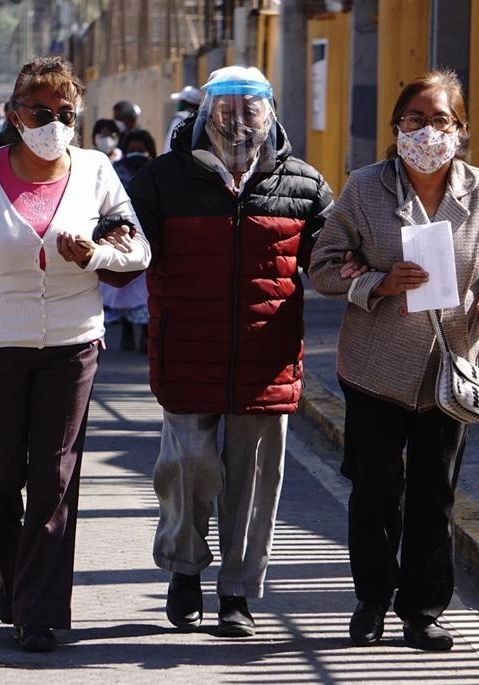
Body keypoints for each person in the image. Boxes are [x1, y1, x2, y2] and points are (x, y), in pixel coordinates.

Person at [308, 69, 479, 651]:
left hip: (451, 369)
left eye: (440, 120)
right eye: (415, 119)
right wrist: (378, 283)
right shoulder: (364, 189)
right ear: (396, 127)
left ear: (460, 129)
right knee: (376, 489)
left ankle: (424, 610)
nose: (427, 131)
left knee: (435, 494)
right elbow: (323, 267)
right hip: (375, 368)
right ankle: (371, 601)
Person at [0, 55, 150, 653]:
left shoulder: (96, 170)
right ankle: (18, 578)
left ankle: (38, 612)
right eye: (41, 111)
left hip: (72, 345)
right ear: (14, 115)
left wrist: (95, 256)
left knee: (53, 477)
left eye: (65, 113)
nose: (54, 123)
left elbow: (139, 251)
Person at [126, 65, 333, 637]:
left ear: (270, 115)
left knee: (255, 480)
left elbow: (330, 258)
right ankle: (184, 568)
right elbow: (129, 245)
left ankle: (238, 592)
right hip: (187, 350)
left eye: (250, 109)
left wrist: (370, 270)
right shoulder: (164, 178)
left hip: (266, 359)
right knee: (186, 468)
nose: (238, 121)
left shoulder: (304, 184)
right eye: (225, 109)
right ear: (205, 114)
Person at [106, 128, 157, 352]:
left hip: (149, 235)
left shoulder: (156, 171)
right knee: (123, 289)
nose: (137, 153)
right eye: (133, 149)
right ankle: (127, 330)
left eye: (141, 149)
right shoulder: (115, 171)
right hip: (122, 237)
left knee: (144, 289)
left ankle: (146, 333)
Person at [162, 85, 202, 153]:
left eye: (180, 101)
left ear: (185, 103)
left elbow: (169, 145)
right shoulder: (199, 119)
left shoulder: (180, 119)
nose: (178, 103)